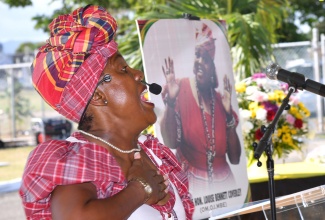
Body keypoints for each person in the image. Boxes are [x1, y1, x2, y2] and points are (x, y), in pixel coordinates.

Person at [19, 5, 194, 220]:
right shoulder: (79, 160)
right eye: (123, 69)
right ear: (97, 97)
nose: (138, 74)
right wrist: (140, 190)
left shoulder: (152, 153)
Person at [160, 23, 241, 191]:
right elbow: (170, 142)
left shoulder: (220, 100)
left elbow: (234, 159)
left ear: (213, 69)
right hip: (189, 183)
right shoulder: (179, 88)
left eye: (206, 59)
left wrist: (228, 116)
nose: (199, 62)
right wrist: (171, 101)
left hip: (224, 186)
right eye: (197, 55)